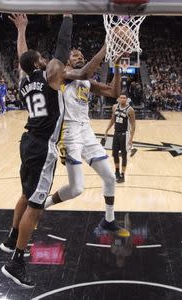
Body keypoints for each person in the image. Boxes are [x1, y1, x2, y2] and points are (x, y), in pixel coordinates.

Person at [1, 13, 100, 288]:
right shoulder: (50, 77)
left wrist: (22, 30)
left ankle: (12, 239)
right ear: (39, 63)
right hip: (44, 146)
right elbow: (60, 49)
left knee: (26, 193)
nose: (47, 60)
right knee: (36, 204)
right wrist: (67, 17)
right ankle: (17, 262)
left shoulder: (24, 79)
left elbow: (23, 55)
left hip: (27, 141)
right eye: (42, 59)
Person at [42, 46, 129, 237]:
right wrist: (108, 46)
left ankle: (109, 220)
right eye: (75, 55)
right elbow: (84, 72)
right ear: (67, 61)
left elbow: (114, 92)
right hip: (69, 133)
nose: (80, 56)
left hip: (86, 131)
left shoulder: (86, 81)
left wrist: (117, 64)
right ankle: (43, 205)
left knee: (109, 177)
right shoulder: (62, 74)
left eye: (82, 55)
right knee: (76, 189)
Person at [104, 93, 136, 183]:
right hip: (116, 133)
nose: (122, 99)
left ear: (127, 99)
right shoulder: (115, 107)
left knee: (124, 155)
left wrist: (131, 139)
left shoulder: (130, 110)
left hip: (125, 134)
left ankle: (123, 175)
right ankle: (117, 172)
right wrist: (107, 130)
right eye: (121, 98)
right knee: (114, 154)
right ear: (118, 99)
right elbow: (112, 119)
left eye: (124, 98)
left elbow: (133, 125)